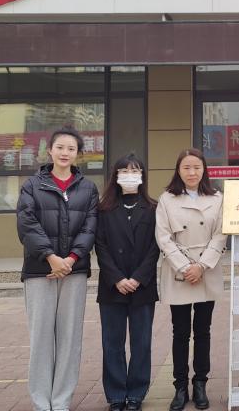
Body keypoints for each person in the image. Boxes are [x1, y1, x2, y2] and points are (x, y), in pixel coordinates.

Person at [16, 127, 98, 411]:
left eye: (71, 149)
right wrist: (51, 257)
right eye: (60, 147)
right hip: (40, 271)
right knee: (40, 338)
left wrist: (71, 259)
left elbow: (90, 227)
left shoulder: (88, 188)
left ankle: (61, 401)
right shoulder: (32, 185)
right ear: (49, 150)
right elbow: (26, 224)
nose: (65, 153)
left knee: (69, 339)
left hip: (74, 272)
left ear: (78, 154)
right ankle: (42, 402)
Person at [155, 148, 227, 411]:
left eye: (197, 167)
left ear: (204, 169)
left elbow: (221, 234)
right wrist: (186, 267)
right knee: (180, 332)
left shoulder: (217, 198)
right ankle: (180, 386)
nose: (192, 172)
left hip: (207, 269)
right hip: (179, 271)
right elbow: (163, 237)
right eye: (186, 167)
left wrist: (201, 266)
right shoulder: (167, 199)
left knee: (203, 331)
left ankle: (200, 384)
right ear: (178, 170)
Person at [95, 153, 160, 411]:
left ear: (142, 176)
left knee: (141, 343)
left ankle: (136, 394)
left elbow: (155, 247)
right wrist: (117, 278)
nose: (130, 175)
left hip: (142, 286)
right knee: (112, 343)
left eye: (135, 171)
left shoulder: (153, 208)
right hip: (112, 286)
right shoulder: (103, 209)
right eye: (124, 171)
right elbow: (100, 246)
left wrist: (138, 278)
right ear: (116, 176)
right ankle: (115, 394)